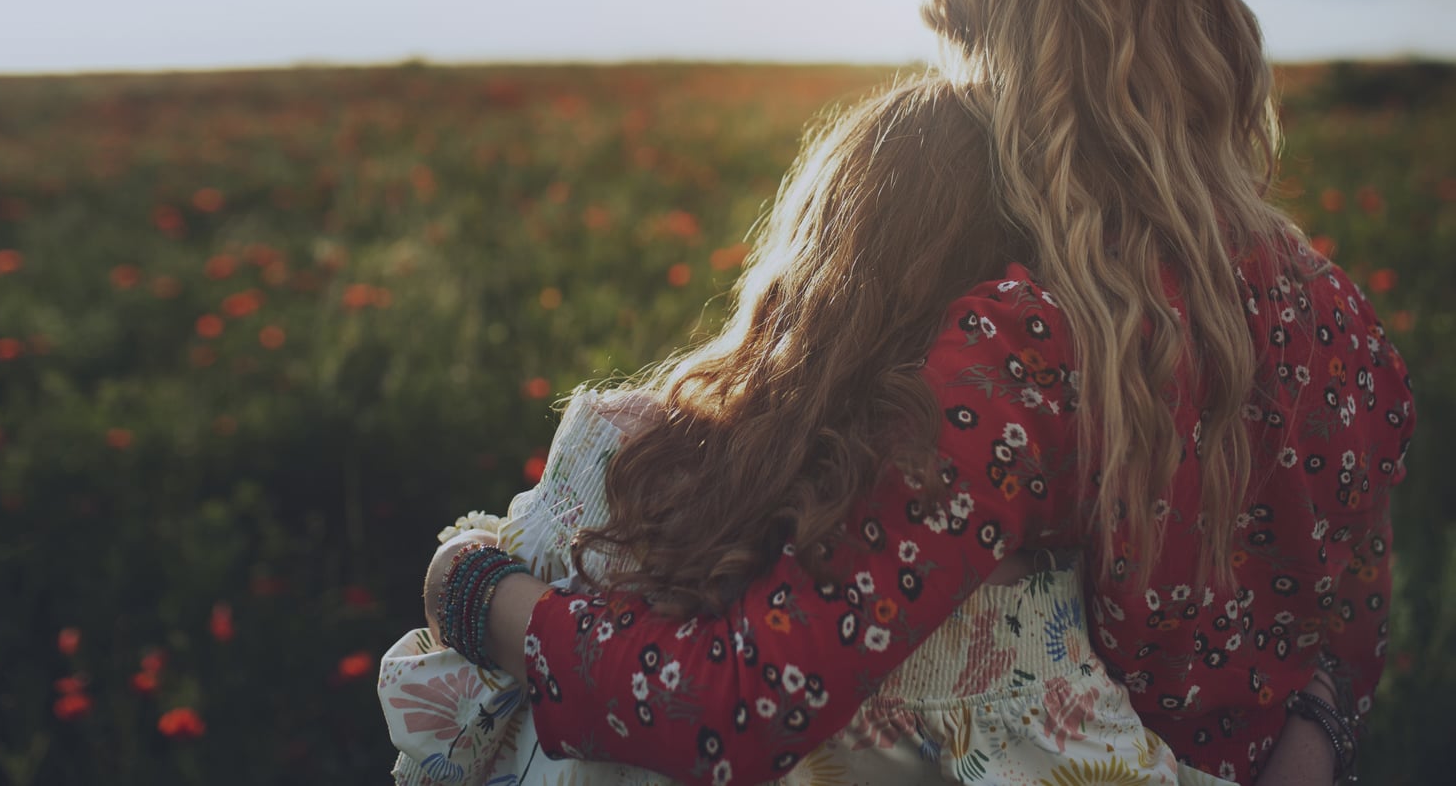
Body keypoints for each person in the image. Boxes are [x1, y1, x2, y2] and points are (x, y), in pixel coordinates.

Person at [422, 0, 1415, 786]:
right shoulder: (1341, 319)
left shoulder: (1023, 344)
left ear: (995, 43)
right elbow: (1339, 647)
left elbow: (743, 695)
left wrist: (473, 592)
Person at [385, 79, 1240, 785]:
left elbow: (468, 711)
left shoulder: (627, 458)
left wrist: (464, 577)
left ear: (816, 254)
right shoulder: (1048, 573)